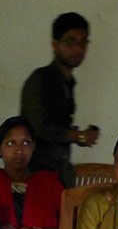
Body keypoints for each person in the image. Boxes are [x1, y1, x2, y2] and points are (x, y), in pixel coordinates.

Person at [21, 12, 99, 187]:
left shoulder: (67, 82)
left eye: (83, 42)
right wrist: (78, 136)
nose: (78, 49)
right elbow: (37, 128)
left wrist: (79, 136)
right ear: (54, 44)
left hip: (59, 173)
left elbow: (55, 128)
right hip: (37, 176)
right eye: (71, 41)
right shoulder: (40, 79)